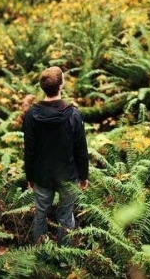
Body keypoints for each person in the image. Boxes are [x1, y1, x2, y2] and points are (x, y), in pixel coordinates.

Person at [22, 66, 89, 246]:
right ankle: (64, 258)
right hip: (67, 175)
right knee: (66, 215)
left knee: (40, 215)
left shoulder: (31, 115)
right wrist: (84, 176)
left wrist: (30, 176)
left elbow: (29, 150)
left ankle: (40, 256)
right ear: (61, 85)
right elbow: (81, 148)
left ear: (42, 87)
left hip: (42, 176)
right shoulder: (73, 114)